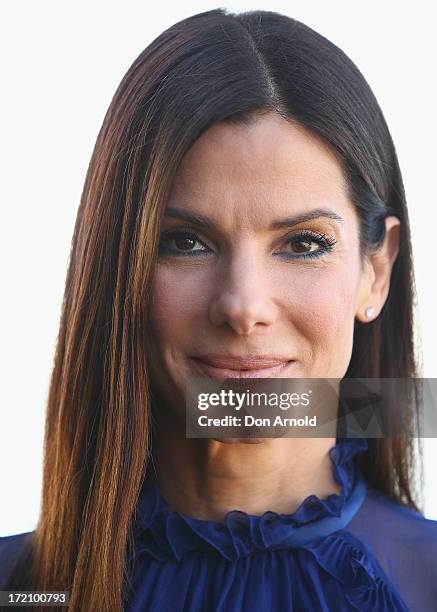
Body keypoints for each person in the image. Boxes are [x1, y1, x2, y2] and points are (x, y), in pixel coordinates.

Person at [1, 8, 436, 611]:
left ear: (375, 272)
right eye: (185, 242)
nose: (243, 306)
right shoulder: (19, 590)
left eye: (303, 244)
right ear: (116, 268)